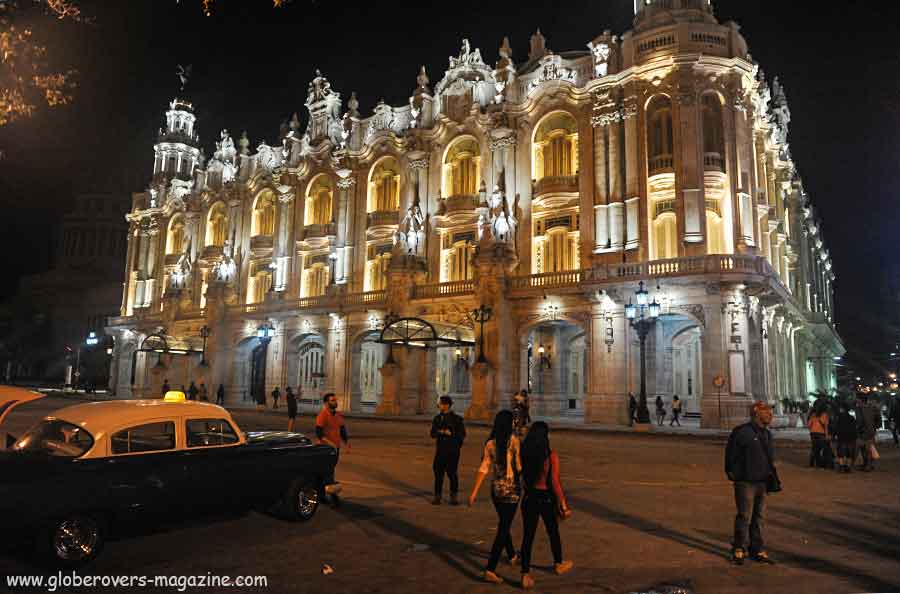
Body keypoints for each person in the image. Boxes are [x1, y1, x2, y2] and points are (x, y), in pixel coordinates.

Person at [468, 410, 522, 584]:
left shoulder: (490, 443)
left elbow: (484, 468)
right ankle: (490, 569)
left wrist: (474, 492)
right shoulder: (514, 441)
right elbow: (519, 467)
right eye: (513, 421)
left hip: (496, 490)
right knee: (504, 528)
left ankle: (512, 555)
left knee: (504, 523)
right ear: (509, 424)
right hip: (512, 489)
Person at [519, 422, 574, 589]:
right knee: (553, 532)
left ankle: (525, 574)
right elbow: (554, 482)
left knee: (528, 536)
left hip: (529, 497)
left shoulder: (524, 453)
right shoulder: (550, 456)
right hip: (545, 498)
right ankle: (558, 562)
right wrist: (563, 504)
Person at [725, 401, 777, 565]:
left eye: (770, 412)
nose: (770, 414)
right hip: (745, 482)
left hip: (762, 482)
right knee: (745, 517)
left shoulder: (767, 434)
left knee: (759, 518)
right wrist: (735, 474)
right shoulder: (741, 432)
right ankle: (739, 548)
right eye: (767, 411)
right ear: (756, 413)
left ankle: (757, 548)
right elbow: (730, 456)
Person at [430, 395, 466, 505]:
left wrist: (451, 433)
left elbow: (462, 434)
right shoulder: (437, 418)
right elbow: (432, 433)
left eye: (440, 403)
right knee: (438, 473)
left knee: (452, 473)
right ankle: (437, 496)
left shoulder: (457, 419)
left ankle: (453, 497)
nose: (439, 405)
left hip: (452, 451)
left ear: (446, 405)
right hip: (440, 450)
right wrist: (439, 432)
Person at [316, 393, 350, 506]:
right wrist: (330, 444)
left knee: (328, 472)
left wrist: (346, 442)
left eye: (335, 400)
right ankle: (333, 496)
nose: (335, 402)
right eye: (332, 400)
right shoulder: (323, 415)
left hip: (335, 449)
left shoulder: (338, 415)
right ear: (326, 403)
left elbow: (342, 430)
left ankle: (322, 495)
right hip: (325, 449)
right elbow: (319, 434)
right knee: (328, 472)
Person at [856, 394, 881, 472]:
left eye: (857, 399)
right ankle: (868, 464)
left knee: (864, 448)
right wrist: (874, 427)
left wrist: (857, 428)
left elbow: (860, 421)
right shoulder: (873, 408)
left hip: (863, 431)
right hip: (871, 431)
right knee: (868, 448)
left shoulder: (859, 409)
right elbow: (878, 420)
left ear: (860, 400)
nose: (856, 401)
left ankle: (867, 465)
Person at [833, 404, 857, 473]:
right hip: (850, 437)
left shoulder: (839, 418)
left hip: (841, 437)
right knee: (849, 452)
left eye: (841, 409)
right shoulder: (852, 418)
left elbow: (836, 428)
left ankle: (842, 466)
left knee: (841, 452)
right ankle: (848, 467)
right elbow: (854, 428)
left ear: (843, 409)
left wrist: (834, 435)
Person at [807, 404, 830, 468]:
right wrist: (827, 435)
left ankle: (812, 463)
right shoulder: (825, 415)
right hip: (821, 434)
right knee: (821, 449)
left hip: (813, 433)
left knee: (814, 448)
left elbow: (808, 425)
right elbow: (826, 426)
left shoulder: (813, 415)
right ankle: (820, 464)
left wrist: (812, 428)